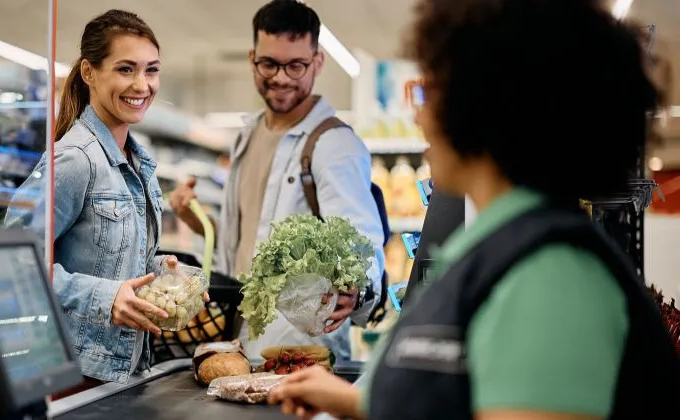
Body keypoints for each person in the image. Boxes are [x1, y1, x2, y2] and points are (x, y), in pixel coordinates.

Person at [268, 1, 680, 419]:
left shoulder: (549, 277)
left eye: (430, 90)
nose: (419, 112)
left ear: (484, 105)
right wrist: (355, 402)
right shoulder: (500, 251)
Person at [169, 0, 386, 360]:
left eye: (296, 65)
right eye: (269, 63)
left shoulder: (334, 144)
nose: (281, 77)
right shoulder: (248, 135)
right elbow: (251, 244)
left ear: (317, 62)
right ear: (253, 57)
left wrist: (356, 290)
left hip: (301, 353)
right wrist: (198, 221)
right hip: (238, 343)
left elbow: (361, 242)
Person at [5, 9, 201, 394]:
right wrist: (105, 298)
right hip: (72, 377)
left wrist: (164, 274)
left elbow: (109, 258)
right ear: (89, 73)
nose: (142, 85)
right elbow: (14, 262)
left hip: (121, 374)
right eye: (126, 69)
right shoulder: (75, 158)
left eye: (152, 70)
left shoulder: (138, 162)